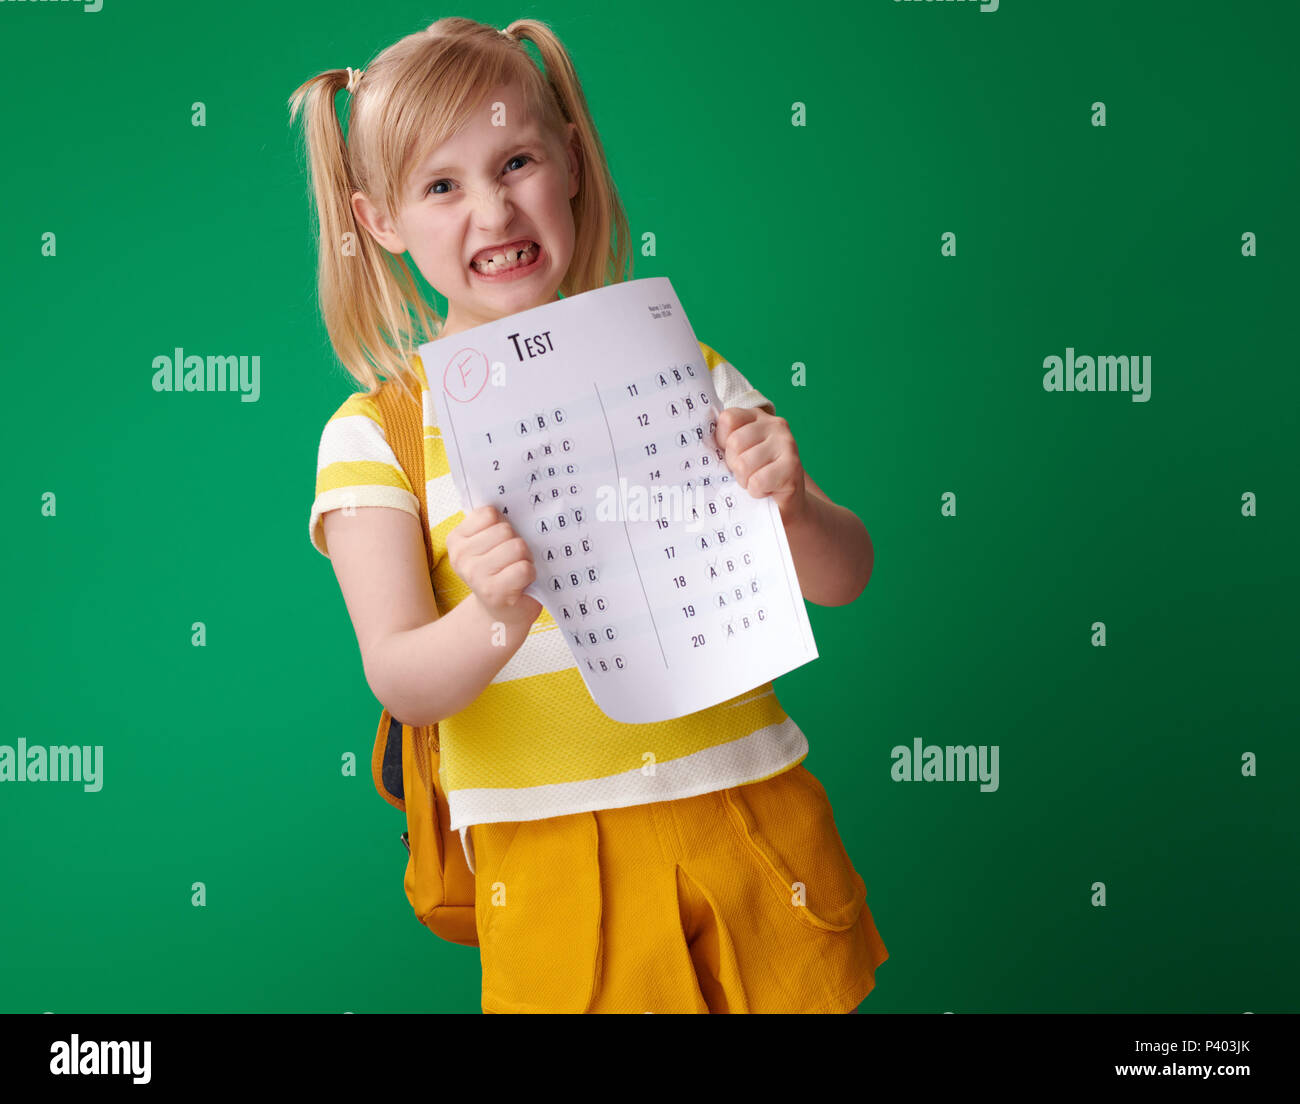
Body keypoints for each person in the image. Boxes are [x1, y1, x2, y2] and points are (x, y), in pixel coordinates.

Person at [289, 16, 887, 1013]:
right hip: (556, 855)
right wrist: (494, 612)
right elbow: (399, 675)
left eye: (515, 159)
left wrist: (790, 503)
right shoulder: (377, 433)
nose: (492, 209)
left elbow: (845, 576)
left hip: (747, 814)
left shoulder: (684, 372)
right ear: (379, 219)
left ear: (569, 161)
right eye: (441, 186)